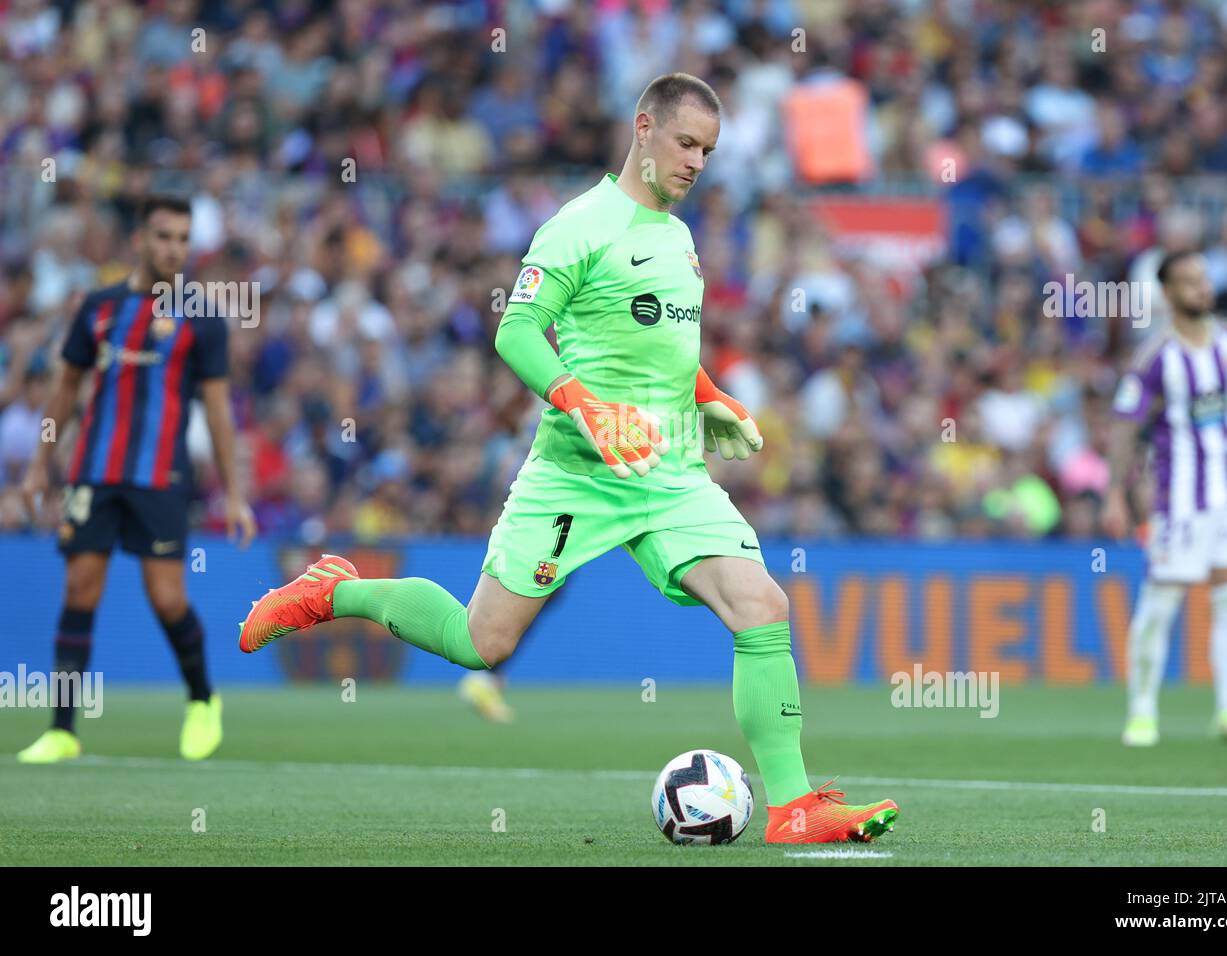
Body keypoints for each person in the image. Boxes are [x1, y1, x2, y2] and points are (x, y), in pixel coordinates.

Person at [238, 73, 899, 845]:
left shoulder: (679, 238)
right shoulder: (577, 225)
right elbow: (516, 333)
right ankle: (337, 591)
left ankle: (792, 807)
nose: (696, 163)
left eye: (709, 151)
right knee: (482, 644)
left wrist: (711, 395)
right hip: (576, 473)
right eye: (686, 143)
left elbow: (660, 353)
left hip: (671, 474)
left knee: (763, 608)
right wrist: (583, 405)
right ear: (643, 128)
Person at [17, 195, 256, 764]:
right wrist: (37, 465)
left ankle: (202, 700)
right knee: (79, 589)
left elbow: (218, 413)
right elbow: (65, 392)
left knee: (168, 598)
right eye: (164, 237)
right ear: (140, 241)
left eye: (182, 238)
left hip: (160, 476)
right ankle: (63, 731)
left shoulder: (202, 318)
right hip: (94, 473)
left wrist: (237, 493)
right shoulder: (98, 308)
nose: (174, 248)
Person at [1103, 250, 1227, 745]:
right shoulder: (1154, 357)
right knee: (1163, 600)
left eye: (1205, 279)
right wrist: (1114, 493)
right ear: (1168, 292)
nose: (1203, 289)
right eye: (1190, 282)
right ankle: (1142, 711)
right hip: (1180, 498)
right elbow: (1124, 427)